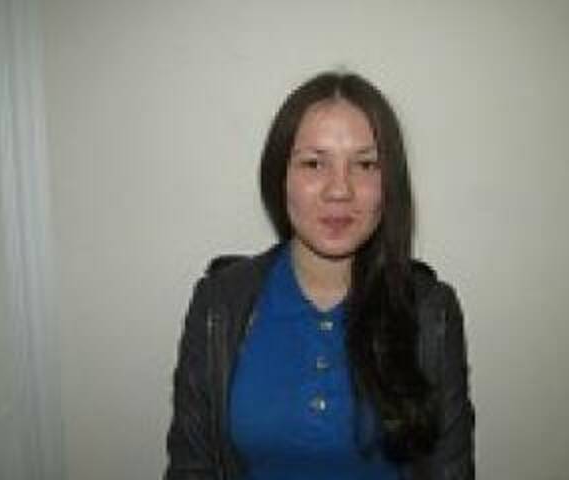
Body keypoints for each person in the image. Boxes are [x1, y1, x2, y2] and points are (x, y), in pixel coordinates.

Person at [164, 71, 475, 480]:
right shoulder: (219, 304)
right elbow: (192, 469)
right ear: (280, 176)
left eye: (365, 164)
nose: (339, 190)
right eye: (314, 163)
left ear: (390, 184)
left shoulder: (432, 311)